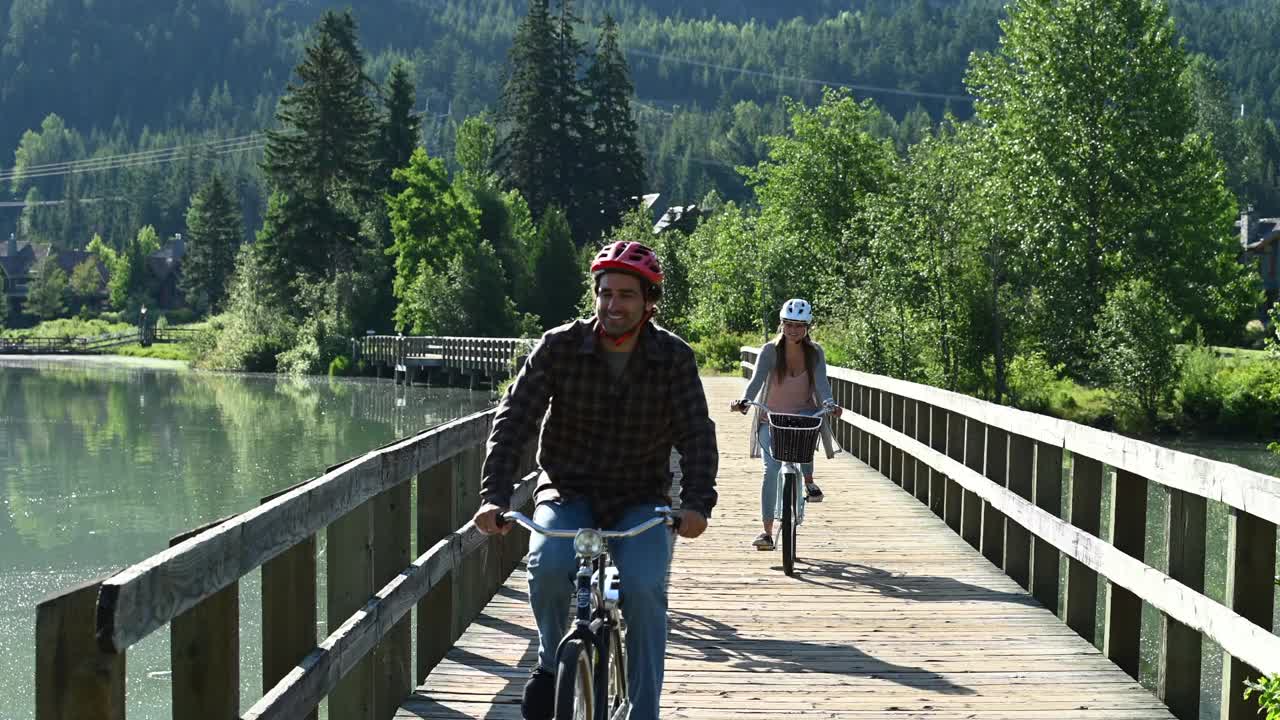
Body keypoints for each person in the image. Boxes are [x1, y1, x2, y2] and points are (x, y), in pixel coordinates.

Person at [473, 240, 719, 720]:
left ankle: (644, 710)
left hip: (640, 497)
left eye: (626, 295)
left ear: (649, 302)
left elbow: (696, 434)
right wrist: (493, 496)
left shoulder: (673, 357)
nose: (613, 305)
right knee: (545, 566)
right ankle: (550, 662)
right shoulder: (558, 346)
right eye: (605, 293)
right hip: (569, 489)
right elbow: (515, 420)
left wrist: (697, 503)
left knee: (646, 590)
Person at [730, 298, 841, 551]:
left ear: (807, 327)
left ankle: (809, 481)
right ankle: (767, 532)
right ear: (781, 324)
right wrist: (745, 401)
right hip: (771, 417)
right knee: (771, 470)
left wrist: (830, 404)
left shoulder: (815, 352)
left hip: (803, 414)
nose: (793, 330)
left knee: (807, 427)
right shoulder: (770, 351)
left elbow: (822, 384)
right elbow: (756, 381)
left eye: (799, 326)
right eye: (789, 324)